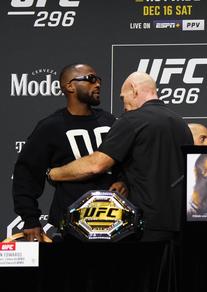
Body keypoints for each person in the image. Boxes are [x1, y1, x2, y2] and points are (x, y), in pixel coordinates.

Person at [48, 72, 194, 241]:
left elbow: (96, 165)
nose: (124, 106)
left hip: (144, 225)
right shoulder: (181, 123)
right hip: (179, 223)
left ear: (134, 90)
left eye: (123, 97)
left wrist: (53, 173)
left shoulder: (133, 119)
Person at [12, 63, 125, 242]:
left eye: (98, 80)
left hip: (117, 223)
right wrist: (30, 219)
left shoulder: (110, 121)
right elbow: (26, 175)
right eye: (90, 79)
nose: (98, 84)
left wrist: (123, 181)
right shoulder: (50, 127)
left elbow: (128, 161)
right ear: (69, 86)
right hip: (72, 227)